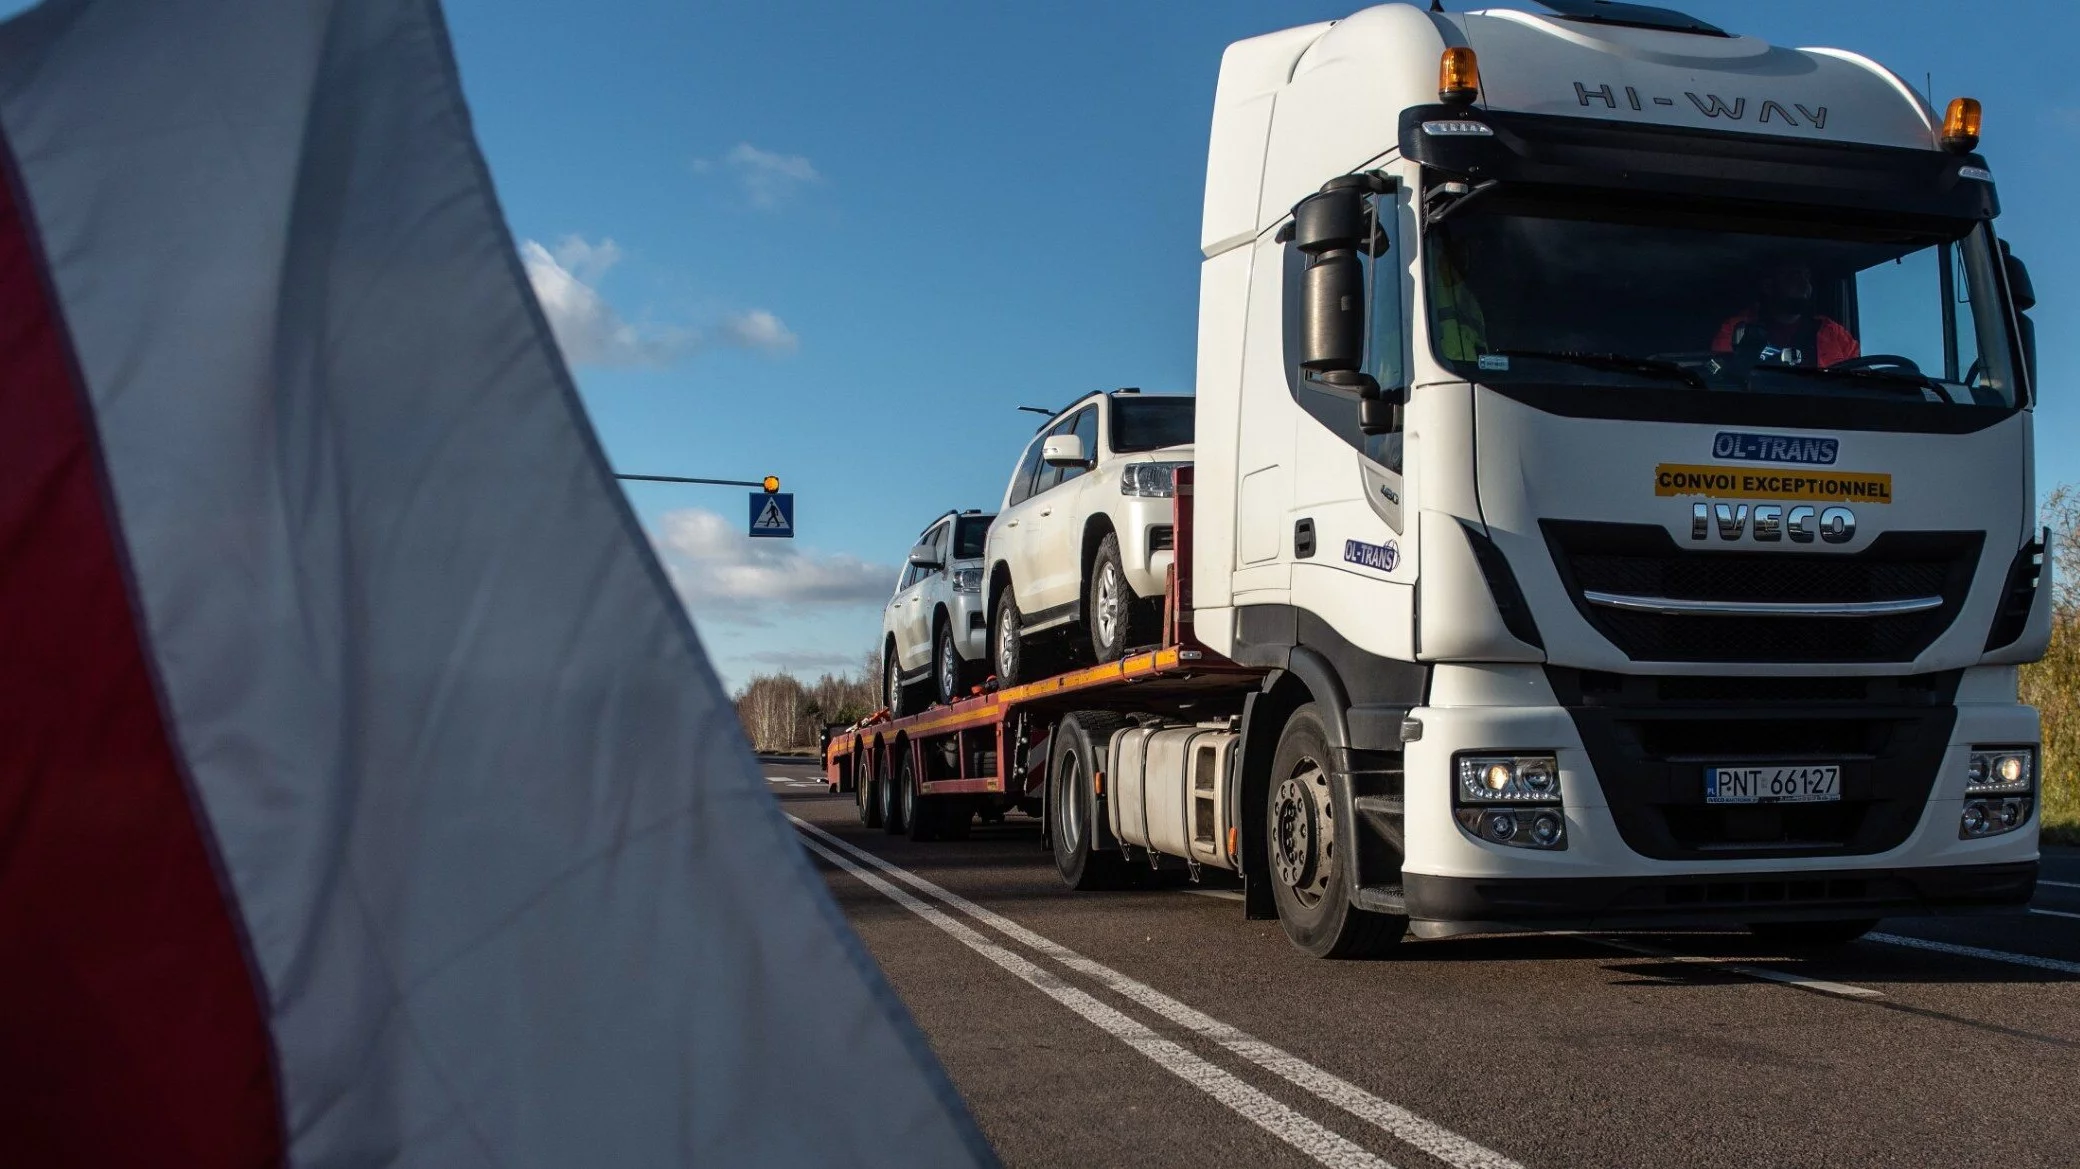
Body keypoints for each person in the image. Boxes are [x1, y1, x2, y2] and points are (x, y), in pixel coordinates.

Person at [1712, 263, 1860, 368]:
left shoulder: (1833, 332)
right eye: (1793, 276)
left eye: (1807, 276)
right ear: (1768, 286)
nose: (1804, 284)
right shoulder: (1736, 329)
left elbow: (1859, 377)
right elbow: (1720, 377)